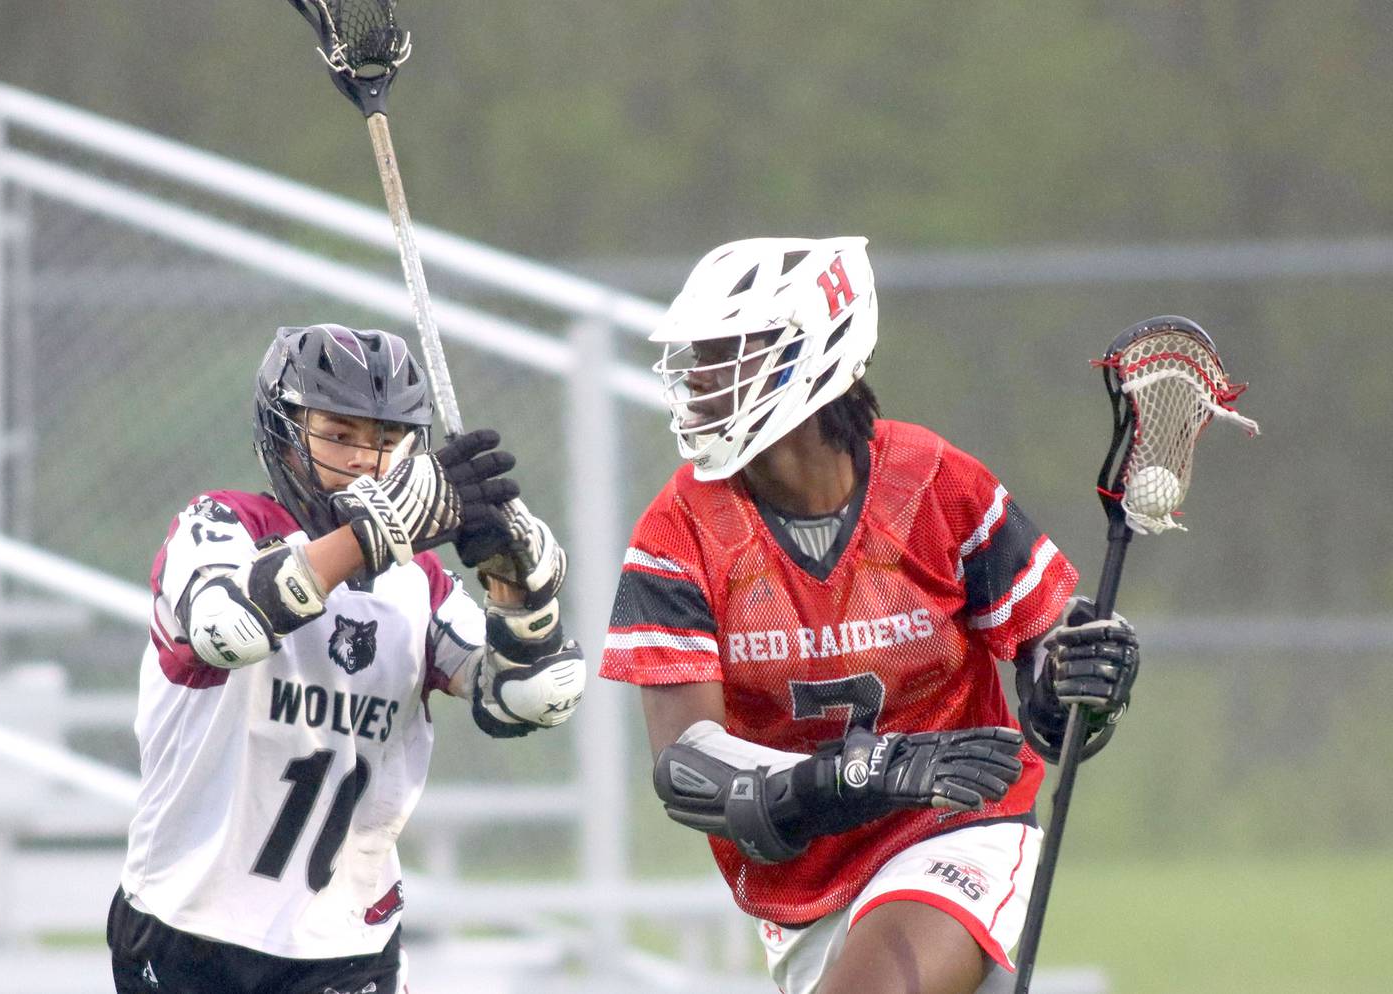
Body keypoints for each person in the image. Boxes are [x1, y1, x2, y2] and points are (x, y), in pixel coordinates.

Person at [600, 237, 1139, 994]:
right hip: (806, 885)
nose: (699, 378)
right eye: (701, 355)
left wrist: (1079, 686)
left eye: (730, 354)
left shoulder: (934, 484)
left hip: (957, 832)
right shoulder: (679, 530)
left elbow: (1054, 711)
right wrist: (864, 773)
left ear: (816, 355)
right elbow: (690, 770)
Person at [108, 323, 585, 994]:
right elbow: (227, 626)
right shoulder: (220, 525)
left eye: (388, 441)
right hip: (190, 926)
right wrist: (372, 531)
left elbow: (532, 695)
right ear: (283, 430)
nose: (366, 459)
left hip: (347, 939)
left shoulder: (420, 581)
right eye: (340, 434)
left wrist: (521, 590)